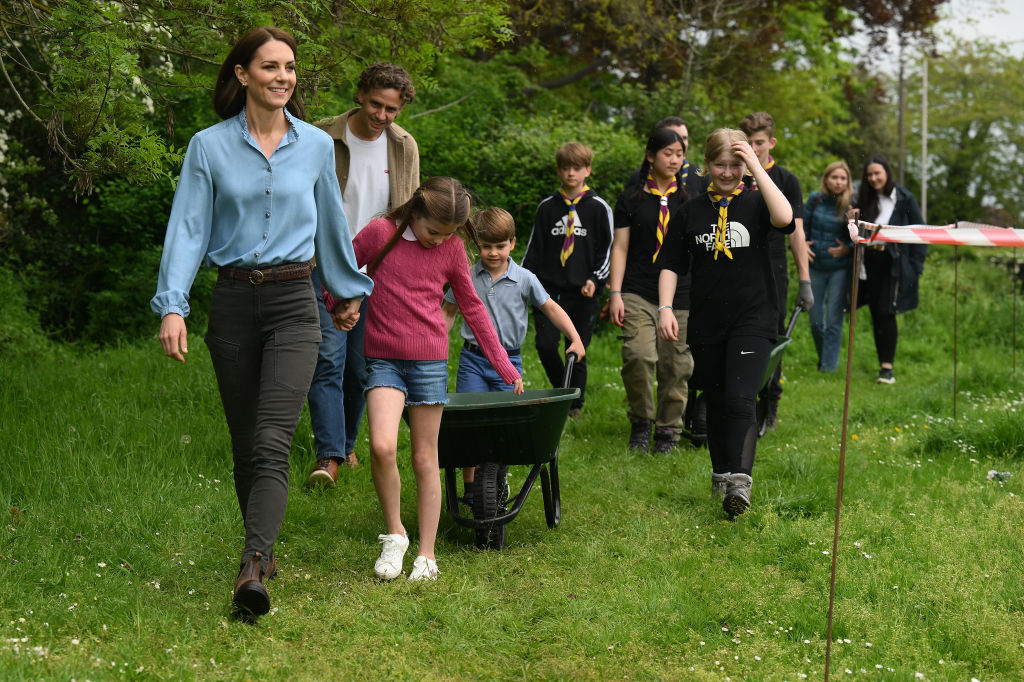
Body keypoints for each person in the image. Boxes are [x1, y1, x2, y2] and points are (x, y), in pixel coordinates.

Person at [151, 27, 372, 616]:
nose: (283, 77)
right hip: (231, 304)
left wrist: (346, 289)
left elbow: (330, 220)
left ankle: (253, 566)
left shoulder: (317, 147)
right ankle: (262, 551)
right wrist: (173, 303)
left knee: (274, 438)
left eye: (291, 68)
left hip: (296, 303)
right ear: (243, 75)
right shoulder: (208, 146)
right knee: (247, 445)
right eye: (270, 67)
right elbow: (189, 228)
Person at [325, 177, 523, 581]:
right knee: (381, 446)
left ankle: (427, 555)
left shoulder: (451, 248)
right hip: (383, 358)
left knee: (424, 457)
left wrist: (502, 364)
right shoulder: (381, 233)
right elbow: (340, 264)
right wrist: (337, 304)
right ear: (415, 212)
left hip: (429, 362)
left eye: (449, 233)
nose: (440, 240)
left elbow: (472, 306)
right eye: (434, 231)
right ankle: (396, 535)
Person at [657, 128, 794, 517]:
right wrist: (666, 308)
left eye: (736, 165)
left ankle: (740, 483)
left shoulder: (757, 204)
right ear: (706, 166)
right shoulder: (690, 211)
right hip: (707, 319)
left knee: (739, 397)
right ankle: (721, 473)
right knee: (714, 399)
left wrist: (754, 163)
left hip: (754, 317)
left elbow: (785, 218)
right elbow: (670, 264)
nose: (728, 172)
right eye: (721, 164)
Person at [305, 62, 420, 487]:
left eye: (392, 110)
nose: (382, 116)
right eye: (376, 104)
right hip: (324, 266)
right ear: (360, 95)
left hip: (377, 275)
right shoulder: (320, 137)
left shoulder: (405, 147)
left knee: (361, 369)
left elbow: (408, 215)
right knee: (328, 360)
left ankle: (347, 444)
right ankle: (329, 457)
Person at [442, 207, 585, 501]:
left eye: (500, 245)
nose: (493, 252)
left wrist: (574, 337)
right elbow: (447, 314)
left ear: (512, 244)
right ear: (475, 245)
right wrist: (436, 346)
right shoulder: (466, 276)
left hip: (509, 361)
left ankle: (496, 481)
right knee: (470, 424)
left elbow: (551, 308)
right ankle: (471, 487)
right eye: (485, 246)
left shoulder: (524, 279)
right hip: (473, 361)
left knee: (504, 426)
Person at [609, 128, 694, 453]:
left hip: (682, 294)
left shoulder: (689, 200)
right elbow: (620, 248)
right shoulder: (632, 197)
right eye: (668, 153)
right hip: (638, 290)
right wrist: (615, 293)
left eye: (679, 154)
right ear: (650, 155)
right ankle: (642, 423)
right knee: (639, 355)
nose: (674, 159)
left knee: (676, 365)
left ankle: (668, 431)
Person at [522, 142, 612, 418]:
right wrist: (523, 282)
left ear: (588, 170)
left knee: (577, 349)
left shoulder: (598, 208)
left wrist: (596, 279)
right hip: (549, 293)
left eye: (577, 168)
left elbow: (607, 249)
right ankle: (563, 388)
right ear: (559, 171)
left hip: (583, 293)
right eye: (565, 168)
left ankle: (575, 406)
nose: (571, 174)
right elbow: (533, 249)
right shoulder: (547, 208)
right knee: (545, 345)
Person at [738, 112, 813, 430]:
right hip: (737, 265)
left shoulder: (786, 180)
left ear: (771, 143)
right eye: (748, 143)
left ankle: (770, 400)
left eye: (759, 143)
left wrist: (805, 280)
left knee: (772, 336)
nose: (753, 149)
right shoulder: (732, 174)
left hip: (773, 268)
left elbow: (796, 232)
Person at [853, 155, 927, 384]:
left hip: (894, 265)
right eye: (870, 175)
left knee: (887, 312)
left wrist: (916, 267)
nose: (874, 178)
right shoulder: (863, 198)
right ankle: (832, 364)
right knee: (874, 313)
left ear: (887, 173)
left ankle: (887, 367)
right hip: (867, 263)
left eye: (878, 173)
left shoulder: (905, 198)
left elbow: (920, 232)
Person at [804, 161, 854, 372]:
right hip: (815, 265)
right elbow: (802, 227)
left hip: (838, 269)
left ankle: (828, 367)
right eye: (834, 177)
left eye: (843, 178)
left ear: (848, 182)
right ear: (826, 179)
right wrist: (803, 243)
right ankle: (825, 357)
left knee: (834, 319)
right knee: (815, 321)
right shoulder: (814, 200)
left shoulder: (850, 204)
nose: (838, 182)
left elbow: (859, 236)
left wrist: (848, 248)